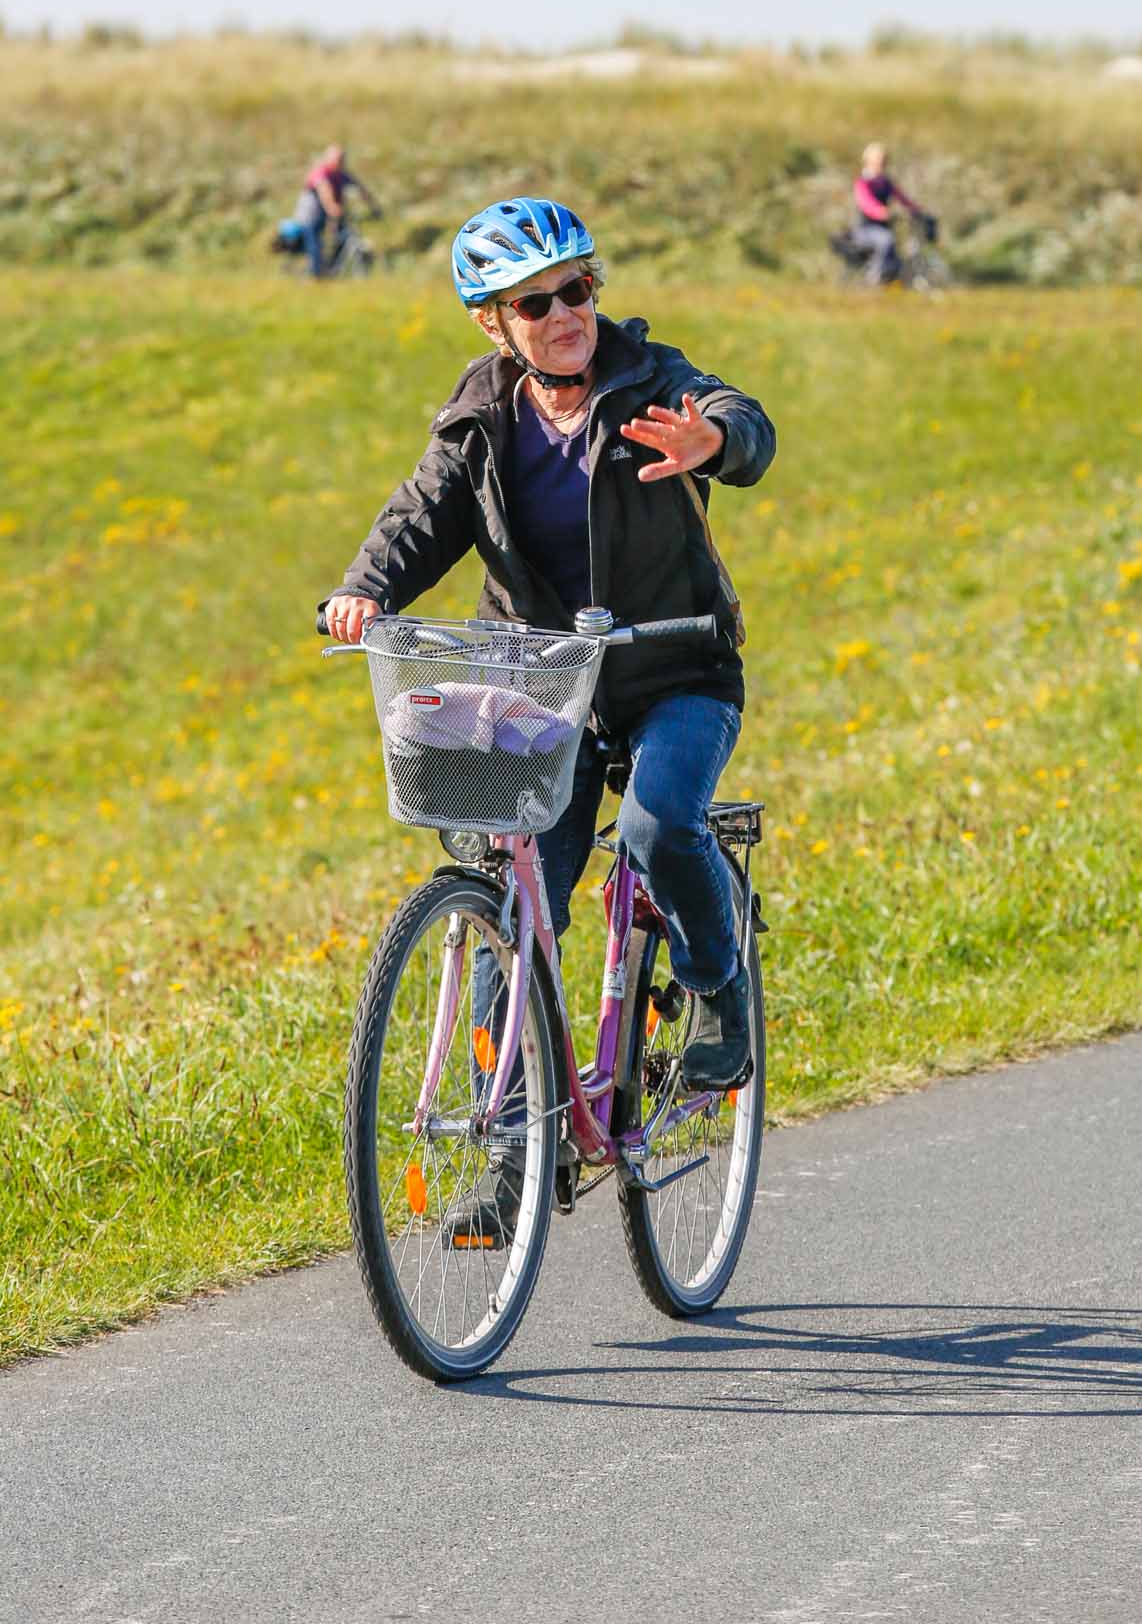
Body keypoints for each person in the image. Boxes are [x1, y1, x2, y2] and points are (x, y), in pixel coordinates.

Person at [321, 195, 775, 1245]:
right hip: (545, 690)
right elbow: (423, 513)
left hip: (677, 671)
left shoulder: (654, 382)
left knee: (662, 829)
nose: (567, 312)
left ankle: (717, 993)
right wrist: (363, 590)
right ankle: (515, 1149)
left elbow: (745, 427)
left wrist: (715, 440)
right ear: (493, 320)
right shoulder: (483, 411)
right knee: (508, 911)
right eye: (537, 301)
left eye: (580, 288)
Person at [838, 142, 936, 287]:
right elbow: (867, 203)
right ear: (868, 162)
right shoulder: (863, 183)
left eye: (884, 161)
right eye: (879, 161)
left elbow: (902, 198)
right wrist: (882, 212)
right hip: (865, 230)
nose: (882, 165)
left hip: (884, 227)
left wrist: (916, 210)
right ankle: (876, 279)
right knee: (886, 240)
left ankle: (896, 279)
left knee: (900, 246)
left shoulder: (885, 182)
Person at [288, 143, 373, 278]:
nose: (341, 163)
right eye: (338, 159)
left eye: (342, 159)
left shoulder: (341, 174)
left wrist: (372, 204)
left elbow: (358, 187)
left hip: (329, 212)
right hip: (311, 215)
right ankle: (318, 277)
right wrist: (332, 207)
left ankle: (333, 269)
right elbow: (324, 191)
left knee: (343, 235)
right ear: (328, 159)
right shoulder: (320, 173)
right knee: (315, 245)